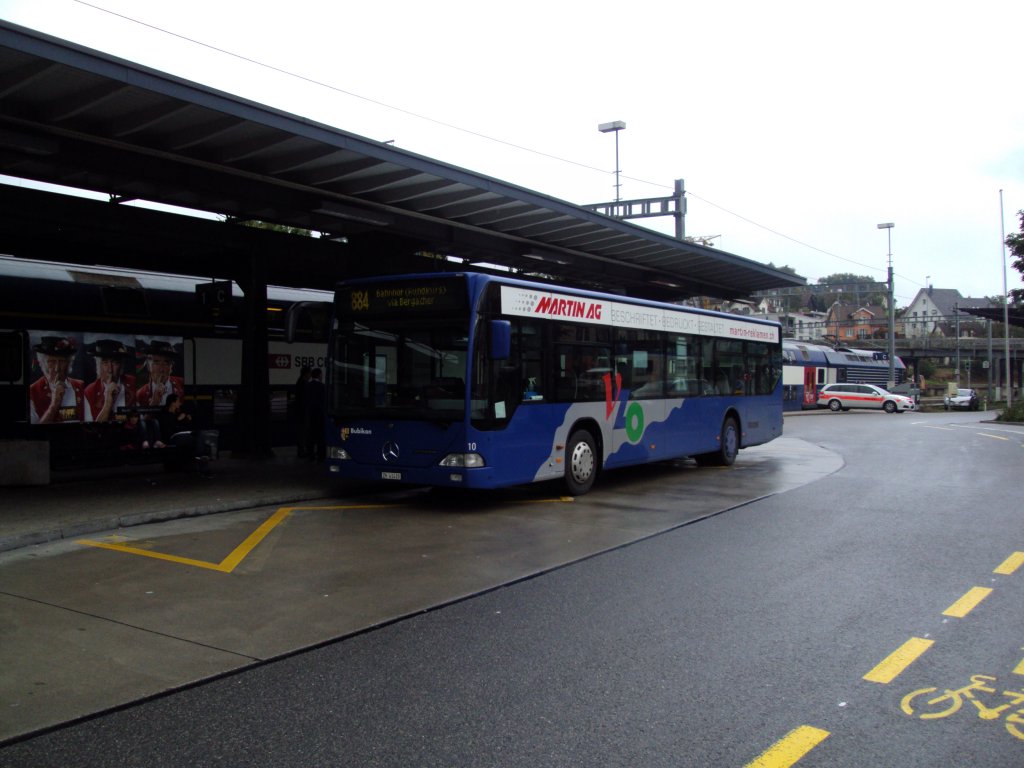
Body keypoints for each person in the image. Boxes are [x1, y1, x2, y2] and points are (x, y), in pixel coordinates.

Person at [29, 336, 86, 424]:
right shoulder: (32, 392)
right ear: (42, 363)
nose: (57, 368)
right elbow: (33, 433)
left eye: (62, 361)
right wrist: (54, 404)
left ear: (68, 363)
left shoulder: (81, 386)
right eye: (51, 361)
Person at [83, 338, 136, 422]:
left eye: (115, 363)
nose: (110, 370)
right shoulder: (89, 392)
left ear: (121, 366)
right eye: (105, 363)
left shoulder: (133, 383)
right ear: (98, 365)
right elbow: (92, 429)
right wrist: (108, 403)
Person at [136, 340, 185, 408]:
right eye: (156, 362)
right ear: (148, 366)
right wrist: (154, 402)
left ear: (171, 366)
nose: (161, 369)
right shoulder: (140, 395)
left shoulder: (182, 384)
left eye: (166, 363)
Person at [305, 367, 326, 461]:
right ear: (319, 375)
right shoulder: (322, 387)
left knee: (311, 435)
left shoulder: (308, 386)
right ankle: (321, 455)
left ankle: (311, 455)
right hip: (320, 414)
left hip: (310, 413)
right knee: (320, 436)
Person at [292, 365, 311, 457]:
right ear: (306, 373)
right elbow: (305, 399)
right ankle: (302, 451)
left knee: (301, 432)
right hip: (303, 412)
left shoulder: (299, 382)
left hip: (299, 412)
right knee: (303, 432)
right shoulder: (304, 384)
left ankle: (301, 451)